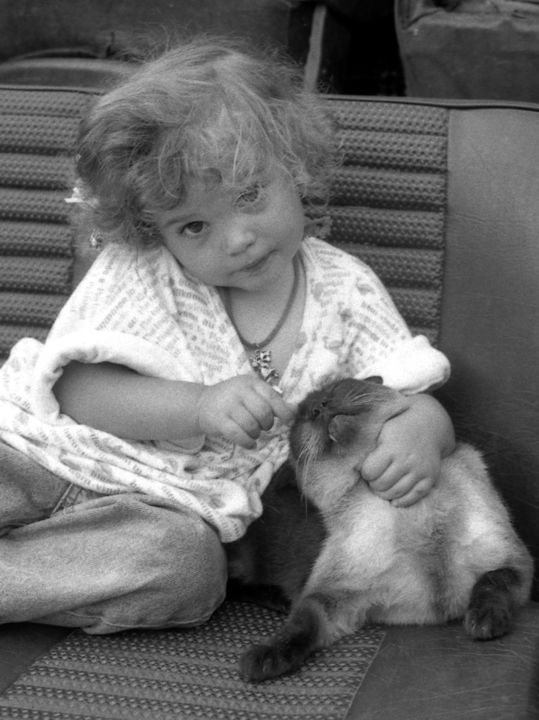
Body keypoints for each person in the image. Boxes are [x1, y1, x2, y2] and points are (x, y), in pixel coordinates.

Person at [0, 37, 454, 634]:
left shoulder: (346, 290)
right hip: (39, 455)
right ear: (151, 229)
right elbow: (77, 390)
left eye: (249, 195)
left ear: (294, 167)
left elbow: (402, 389)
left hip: (162, 514)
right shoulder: (140, 272)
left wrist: (424, 431)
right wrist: (199, 405)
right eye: (193, 225)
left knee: (190, 575)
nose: (236, 238)